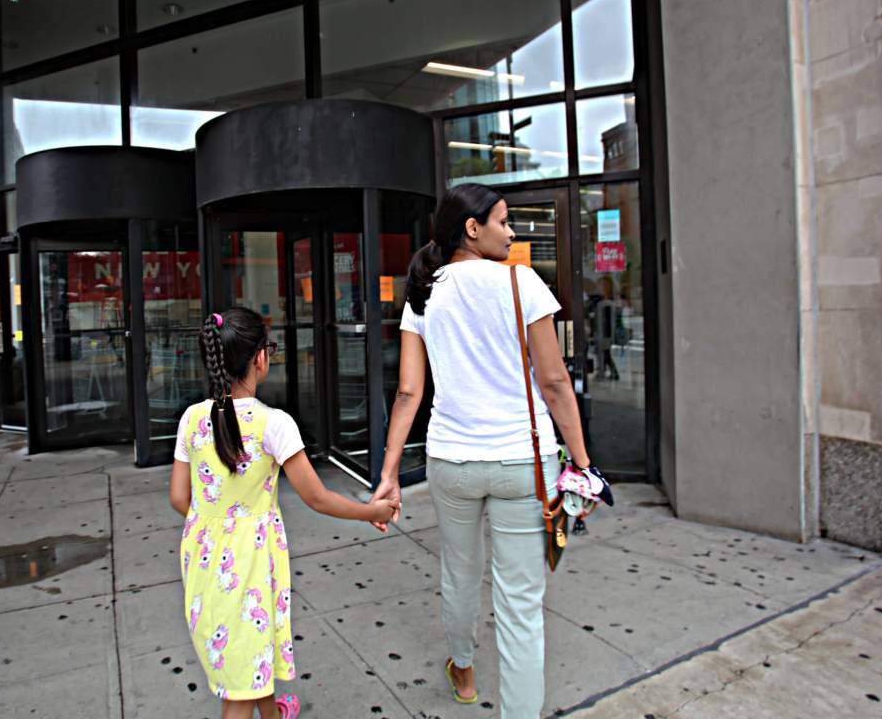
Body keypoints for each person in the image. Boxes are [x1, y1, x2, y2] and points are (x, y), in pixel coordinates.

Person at [371, 183, 593, 718]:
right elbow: (556, 382)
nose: (512, 231)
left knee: (459, 574)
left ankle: (464, 672)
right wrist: (583, 464)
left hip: (453, 462)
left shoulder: (423, 292)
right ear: (472, 228)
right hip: (524, 461)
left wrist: (389, 473)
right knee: (521, 606)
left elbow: (408, 392)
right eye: (504, 221)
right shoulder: (523, 282)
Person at [170, 307, 399, 719]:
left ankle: (274, 714)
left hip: (202, 556)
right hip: (251, 560)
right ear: (260, 358)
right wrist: (370, 511)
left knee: (242, 649)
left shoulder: (191, 419)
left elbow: (178, 497)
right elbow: (317, 497)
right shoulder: (273, 424)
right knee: (236, 692)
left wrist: (216, 525)